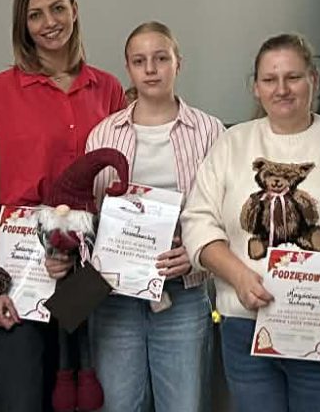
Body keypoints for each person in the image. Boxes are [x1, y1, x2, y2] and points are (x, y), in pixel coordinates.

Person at [180, 33, 320, 412]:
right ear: (256, 88)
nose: (282, 89)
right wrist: (240, 277)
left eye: (293, 77)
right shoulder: (232, 144)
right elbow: (198, 224)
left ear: (313, 80)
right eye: (270, 79)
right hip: (246, 326)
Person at [0, 0, 127, 412]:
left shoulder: (108, 88)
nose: (49, 22)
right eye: (35, 15)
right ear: (23, 26)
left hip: (89, 270)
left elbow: (119, 187)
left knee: (82, 396)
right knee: (23, 398)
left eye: (58, 8)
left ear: (74, 10)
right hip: (20, 269)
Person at [80, 22, 226, 412]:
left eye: (161, 58)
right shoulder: (103, 134)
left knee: (184, 405)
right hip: (115, 298)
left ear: (178, 63)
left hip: (184, 293)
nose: (150, 69)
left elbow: (226, 213)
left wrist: (197, 255)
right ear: (127, 68)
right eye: (139, 61)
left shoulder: (211, 132)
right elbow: (88, 216)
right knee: (118, 405)